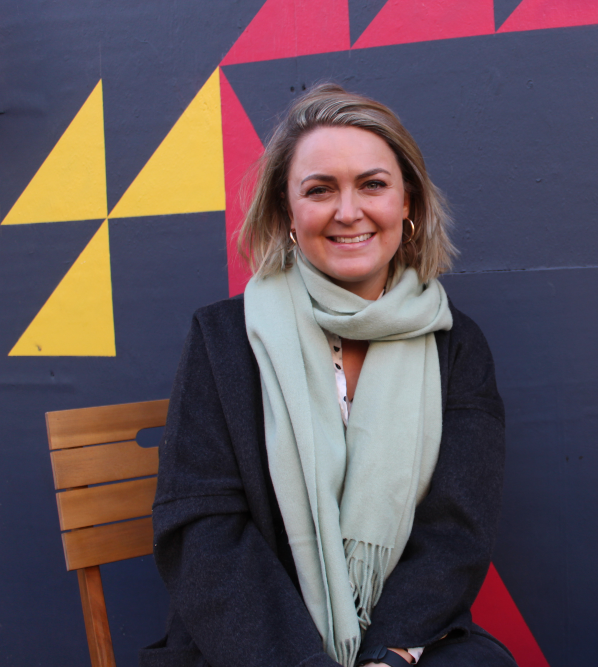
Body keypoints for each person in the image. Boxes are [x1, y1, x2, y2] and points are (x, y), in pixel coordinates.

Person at [141, 84, 516, 667]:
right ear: (286, 212)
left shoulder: (457, 344)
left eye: (373, 184)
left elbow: (455, 529)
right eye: (319, 190)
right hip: (253, 647)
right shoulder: (223, 339)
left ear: (407, 203)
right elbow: (205, 531)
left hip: (404, 639)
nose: (349, 211)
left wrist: (387, 656)